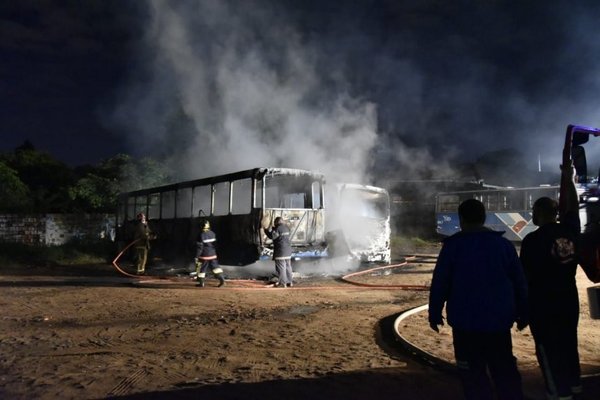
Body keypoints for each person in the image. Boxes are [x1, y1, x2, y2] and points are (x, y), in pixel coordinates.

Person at [428, 198, 528, 400]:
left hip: (466, 324)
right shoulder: (504, 246)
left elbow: (440, 282)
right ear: (483, 218)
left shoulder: (452, 247)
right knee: (504, 373)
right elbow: (520, 282)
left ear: (461, 219)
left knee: (473, 376)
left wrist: (435, 313)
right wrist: (523, 312)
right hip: (498, 323)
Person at [520, 162, 583, 400]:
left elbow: (524, 277)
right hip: (569, 299)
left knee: (547, 349)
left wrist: (522, 308)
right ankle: (575, 386)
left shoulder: (532, 240)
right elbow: (574, 208)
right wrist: (570, 178)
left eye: (534, 211)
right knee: (569, 343)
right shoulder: (570, 230)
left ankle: (558, 393)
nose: (532, 215)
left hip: (543, 303)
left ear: (540, 212)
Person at [194, 219, 225, 288]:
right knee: (216, 267)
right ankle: (222, 280)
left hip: (204, 255)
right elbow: (215, 244)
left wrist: (197, 256)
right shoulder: (212, 233)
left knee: (201, 269)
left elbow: (200, 247)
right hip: (213, 254)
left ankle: (201, 283)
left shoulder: (201, 235)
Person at [264, 216, 293, 287]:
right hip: (288, 251)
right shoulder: (286, 228)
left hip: (281, 252)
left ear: (276, 222)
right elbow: (280, 234)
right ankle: (290, 282)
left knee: (281, 267)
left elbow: (272, 236)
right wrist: (274, 229)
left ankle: (283, 283)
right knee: (288, 267)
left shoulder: (277, 229)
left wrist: (266, 230)